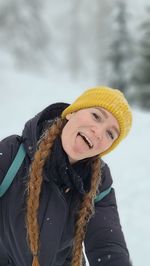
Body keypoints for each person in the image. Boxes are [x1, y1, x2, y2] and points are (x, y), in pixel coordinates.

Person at [0, 86, 133, 266]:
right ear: (72, 113)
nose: (99, 132)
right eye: (96, 116)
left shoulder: (98, 181)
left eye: (110, 134)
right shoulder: (12, 155)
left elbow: (107, 244)